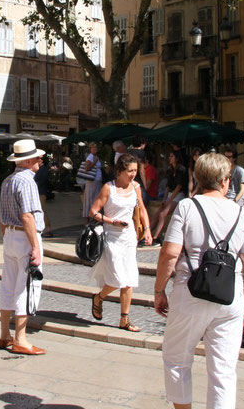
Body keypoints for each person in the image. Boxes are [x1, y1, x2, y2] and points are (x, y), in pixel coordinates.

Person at [154, 153, 244, 409]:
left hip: (190, 292)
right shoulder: (240, 213)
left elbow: (169, 254)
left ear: (198, 179)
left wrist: (159, 290)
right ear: (225, 181)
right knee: (223, 371)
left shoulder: (188, 207)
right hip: (230, 297)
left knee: (177, 360)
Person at [89, 154, 153, 332]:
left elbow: (141, 210)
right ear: (120, 171)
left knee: (129, 278)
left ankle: (124, 319)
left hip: (129, 238)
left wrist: (147, 229)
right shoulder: (108, 188)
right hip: (112, 237)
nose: (133, 174)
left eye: (135, 170)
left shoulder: (136, 187)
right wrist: (112, 222)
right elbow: (93, 212)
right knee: (117, 278)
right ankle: (99, 298)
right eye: (129, 171)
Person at [0, 139, 47, 356]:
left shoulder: (8, 180)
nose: (40, 159)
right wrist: (34, 246)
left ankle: (4, 335)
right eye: (37, 156)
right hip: (25, 237)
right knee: (26, 288)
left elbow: (2, 215)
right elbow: (27, 216)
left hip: (9, 235)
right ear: (27, 161)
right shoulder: (27, 181)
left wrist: (7, 237)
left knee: (8, 284)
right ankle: (20, 339)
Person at [151, 151, 189, 239]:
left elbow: (179, 186)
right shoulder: (171, 170)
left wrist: (169, 200)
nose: (169, 158)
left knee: (162, 214)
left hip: (179, 195)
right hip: (170, 194)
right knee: (157, 214)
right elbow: (168, 186)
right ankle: (147, 234)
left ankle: (156, 237)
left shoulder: (181, 170)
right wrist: (164, 199)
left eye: (172, 156)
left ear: (177, 158)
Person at [81, 142, 103, 224]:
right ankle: (88, 219)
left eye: (96, 147)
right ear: (90, 149)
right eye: (93, 147)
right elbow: (86, 169)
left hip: (96, 181)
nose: (95, 149)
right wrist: (94, 163)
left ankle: (94, 218)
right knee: (90, 200)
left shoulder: (96, 157)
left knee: (95, 199)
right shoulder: (90, 157)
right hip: (92, 182)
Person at [33, 156, 54, 238]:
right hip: (37, 192)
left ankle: (48, 229)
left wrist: (33, 184)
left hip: (41, 193)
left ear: (41, 160)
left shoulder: (44, 169)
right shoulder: (37, 169)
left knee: (42, 211)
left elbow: (43, 180)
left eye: (38, 158)